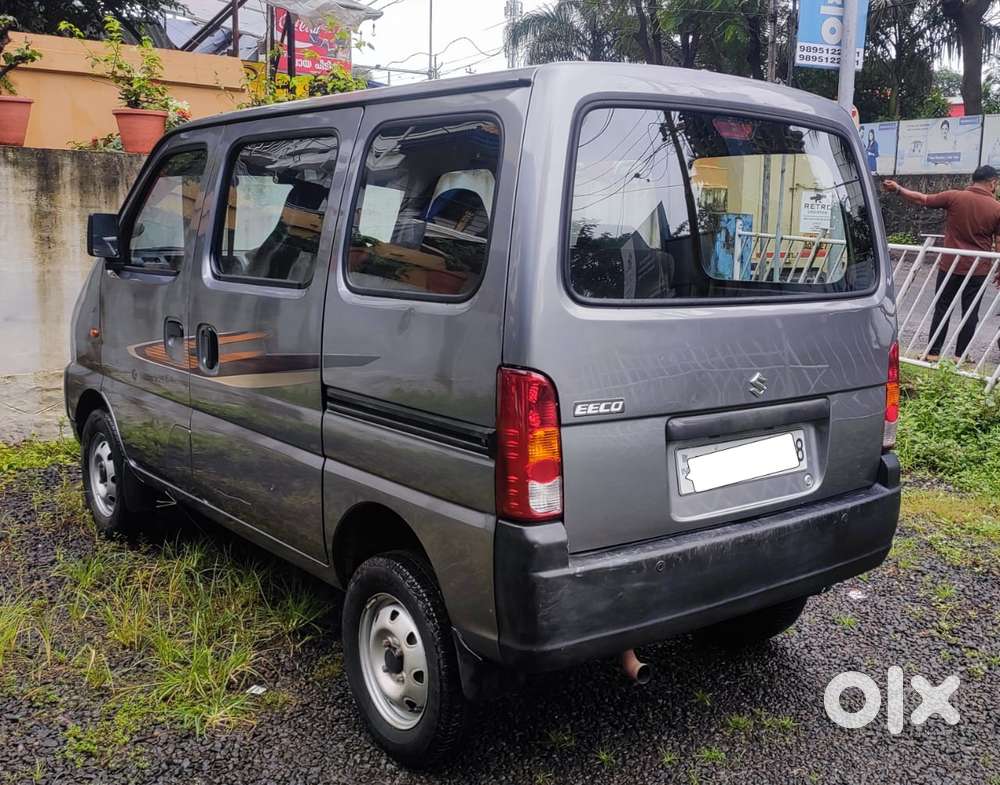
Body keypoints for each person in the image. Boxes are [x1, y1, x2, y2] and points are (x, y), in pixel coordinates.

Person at [883, 165, 1000, 360]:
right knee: (970, 312)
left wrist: (898, 189)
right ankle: (960, 357)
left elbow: (922, 199)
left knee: (942, 308)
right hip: (978, 268)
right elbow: (999, 243)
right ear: (992, 182)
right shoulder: (997, 208)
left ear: (973, 180)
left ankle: (933, 353)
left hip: (950, 265)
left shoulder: (954, 196)